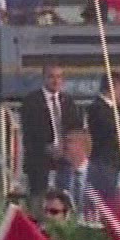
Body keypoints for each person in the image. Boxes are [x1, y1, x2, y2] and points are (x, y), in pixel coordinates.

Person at [20, 63, 82, 211]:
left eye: (59, 77)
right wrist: (47, 148)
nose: (55, 81)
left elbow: (76, 128)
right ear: (44, 78)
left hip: (65, 159)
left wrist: (68, 147)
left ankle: (65, 219)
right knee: (39, 201)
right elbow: (29, 133)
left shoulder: (68, 101)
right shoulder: (31, 101)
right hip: (40, 160)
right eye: (51, 77)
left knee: (65, 197)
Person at [50, 129, 120, 222]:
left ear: (82, 145)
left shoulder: (104, 176)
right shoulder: (59, 176)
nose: (64, 146)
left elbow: (113, 207)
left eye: (69, 141)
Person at [85, 72, 120, 178]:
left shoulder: (117, 107)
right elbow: (109, 133)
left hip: (118, 163)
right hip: (105, 163)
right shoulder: (98, 108)